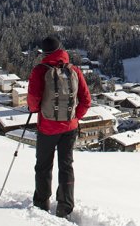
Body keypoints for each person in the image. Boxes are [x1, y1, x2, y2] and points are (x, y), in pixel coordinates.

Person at [27, 35, 91, 218]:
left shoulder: (40, 70)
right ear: (61, 49)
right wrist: (74, 117)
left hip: (47, 127)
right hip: (69, 128)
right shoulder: (74, 70)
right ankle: (65, 206)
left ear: (44, 53)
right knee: (66, 166)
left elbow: (32, 101)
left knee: (43, 166)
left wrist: (35, 109)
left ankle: (41, 203)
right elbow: (86, 100)